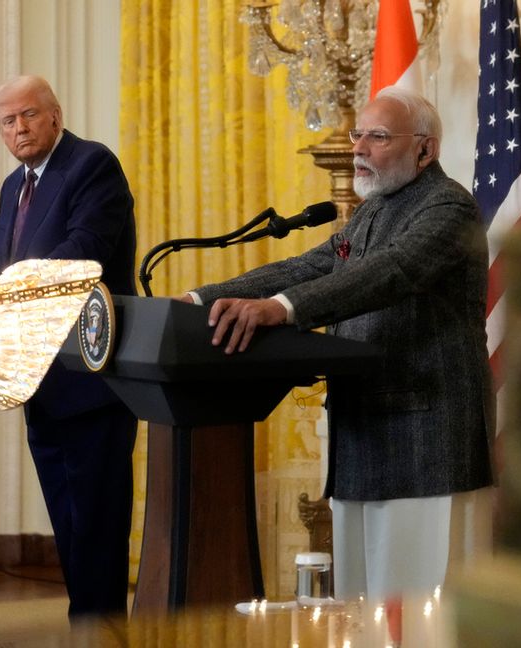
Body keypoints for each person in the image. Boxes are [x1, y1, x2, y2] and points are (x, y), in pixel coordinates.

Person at [186, 87, 494, 608]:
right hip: (365, 431)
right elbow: (309, 266)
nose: (358, 149)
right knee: (360, 610)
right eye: (358, 135)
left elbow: (389, 272)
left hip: (426, 439)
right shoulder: (372, 211)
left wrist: (281, 309)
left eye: (377, 137)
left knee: (417, 612)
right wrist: (197, 300)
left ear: (425, 149)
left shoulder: (449, 207)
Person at [0, 75, 138, 619]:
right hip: (40, 376)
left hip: (91, 372)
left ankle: (102, 633)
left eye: (28, 115)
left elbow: (79, 251)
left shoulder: (91, 165)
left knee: (97, 527)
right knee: (68, 523)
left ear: (55, 115)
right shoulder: (16, 185)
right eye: (7, 122)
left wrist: (9, 287)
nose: (19, 128)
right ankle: (85, 627)